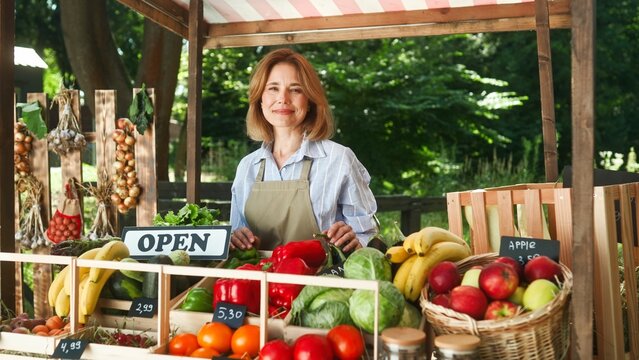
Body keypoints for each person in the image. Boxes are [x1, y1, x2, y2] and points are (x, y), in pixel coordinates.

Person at [230, 48, 377, 253]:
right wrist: (237, 239)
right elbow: (236, 240)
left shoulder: (339, 159)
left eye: (296, 89)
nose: (283, 98)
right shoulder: (247, 167)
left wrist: (356, 241)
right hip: (258, 282)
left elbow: (368, 235)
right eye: (273, 88)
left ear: (309, 101)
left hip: (322, 281)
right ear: (259, 99)